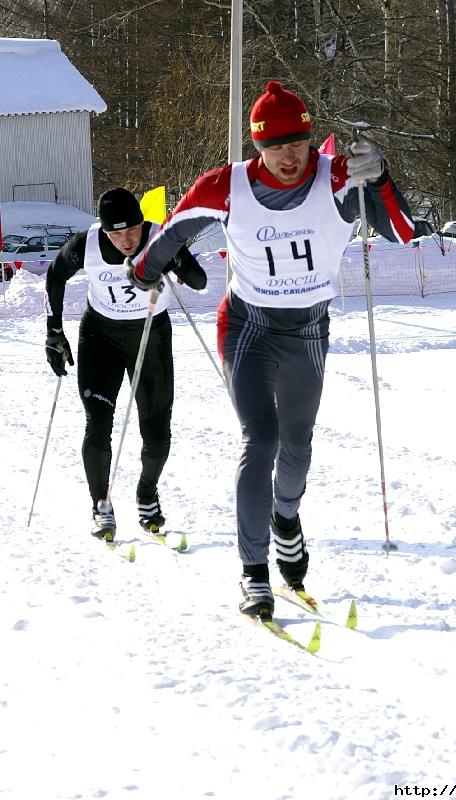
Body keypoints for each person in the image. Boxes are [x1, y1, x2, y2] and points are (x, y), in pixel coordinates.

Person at [126, 81, 414, 616]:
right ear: (257, 146)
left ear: (310, 140)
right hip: (248, 329)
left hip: (308, 333)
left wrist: (380, 178)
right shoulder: (225, 186)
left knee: (298, 448)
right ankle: (254, 573)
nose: (288, 155)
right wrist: (143, 267)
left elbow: (400, 231)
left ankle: (286, 519)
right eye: (274, 145)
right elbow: (172, 231)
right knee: (262, 440)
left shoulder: (338, 179)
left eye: (297, 143)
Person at [44, 187, 207, 541]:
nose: (127, 239)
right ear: (104, 230)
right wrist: (54, 332)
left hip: (151, 337)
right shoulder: (85, 245)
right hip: (100, 338)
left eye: (132, 229)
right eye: (116, 233)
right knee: (98, 422)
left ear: (141, 222)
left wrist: (175, 258)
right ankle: (100, 503)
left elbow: (200, 281)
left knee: (158, 433)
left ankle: (147, 494)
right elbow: (55, 276)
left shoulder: (159, 236)